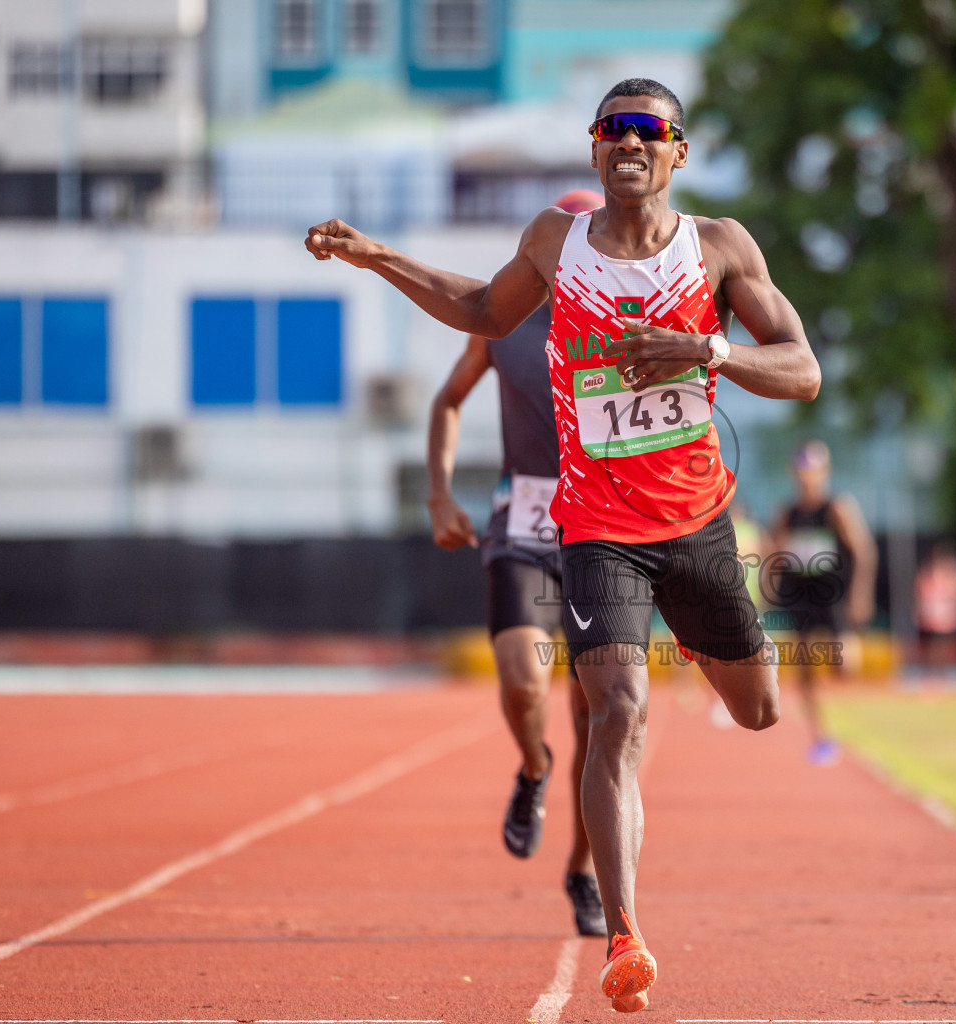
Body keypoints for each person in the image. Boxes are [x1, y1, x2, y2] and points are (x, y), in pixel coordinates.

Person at [306, 77, 820, 1013]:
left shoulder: (718, 248)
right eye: (613, 128)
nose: (629, 141)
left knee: (760, 711)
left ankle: (703, 669)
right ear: (594, 150)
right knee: (616, 708)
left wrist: (705, 352)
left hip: (697, 525)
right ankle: (624, 933)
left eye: (648, 129)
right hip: (595, 530)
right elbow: (480, 310)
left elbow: (803, 371)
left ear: (677, 151)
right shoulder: (555, 241)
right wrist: (380, 256)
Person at [424, 189, 608, 938]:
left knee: (601, 721)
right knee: (523, 680)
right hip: (523, 522)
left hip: (606, 529)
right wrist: (439, 493)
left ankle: (585, 872)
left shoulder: (630, 315)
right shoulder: (505, 323)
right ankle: (532, 766)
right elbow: (448, 400)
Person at [768, 440, 876, 764]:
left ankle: (855, 729)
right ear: (794, 473)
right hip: (801, 597)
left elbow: (864, 551)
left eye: (813, 472)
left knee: (845, 666)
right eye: (801, 472)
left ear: (824, 472)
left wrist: (860, 595)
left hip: (834, 599)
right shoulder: (788, 513)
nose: (807, 478)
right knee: (805, 672)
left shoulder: (837, 509)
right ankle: (822, 736)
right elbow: (775, 552)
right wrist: (773, 589)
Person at [915, 541, 956, 668]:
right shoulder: (934, 570)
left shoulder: (947, 570)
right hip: (936, 612)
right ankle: (934, 669)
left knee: (941, 644)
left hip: (945, 612)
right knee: (936, 644)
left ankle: (938, 669)